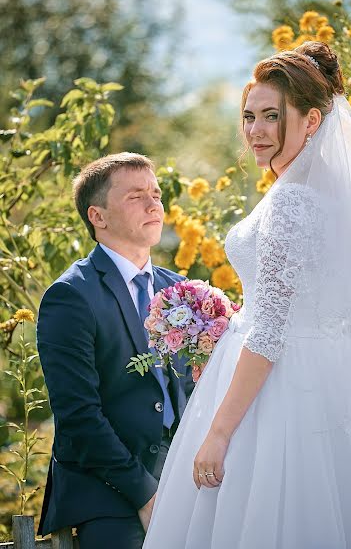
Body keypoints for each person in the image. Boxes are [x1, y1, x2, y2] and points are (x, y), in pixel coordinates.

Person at [143, 42, 351, 549]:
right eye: (248, 116)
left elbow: (272, 331)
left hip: (278, 386)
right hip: (329, 373)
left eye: (270, 117)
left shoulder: (292, 204)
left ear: (311, 121)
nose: (255, 131)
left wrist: (218, 433)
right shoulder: (318, 197)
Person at [37, 153, 193, 549]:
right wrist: (145, 494)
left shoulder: (181, 290)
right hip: (109, 496)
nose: (154, 203)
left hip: (186, 484)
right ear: (98, 216)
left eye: (155, 193)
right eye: (135, 196)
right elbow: (78, 416)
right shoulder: (71, 296)